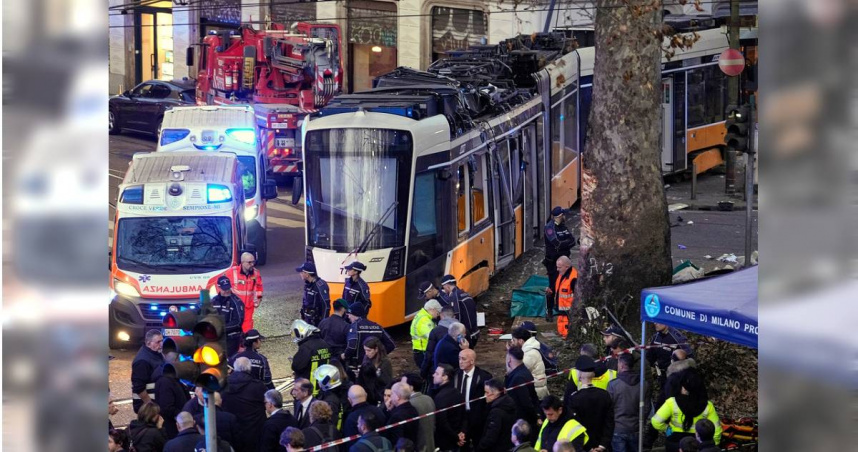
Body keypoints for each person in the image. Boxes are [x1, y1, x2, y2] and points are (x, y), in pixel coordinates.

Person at [651, 371, 721, 452]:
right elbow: (717, 430)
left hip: (674, 443)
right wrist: (711, 445)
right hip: (696, 444)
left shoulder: (672, 403)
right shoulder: (708, 405)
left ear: (683, 388)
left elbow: (655, 421)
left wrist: (667, 429)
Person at [563, 356, 614, 452]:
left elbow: (576, 427)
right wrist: (603, 445)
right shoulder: (605, 395)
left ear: (580, 375)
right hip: (604, 447)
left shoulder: (574, 399)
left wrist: (588, 447)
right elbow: (610, 423)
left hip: (584, 447)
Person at [222, 357, 268, 452]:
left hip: (233, 432)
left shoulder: (223, 386)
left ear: (234, 368)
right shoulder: (258, 386)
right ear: (249, 368)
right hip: (255, 432)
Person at [607, 353, 649, 452]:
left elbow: (609, 408)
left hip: (618, 428)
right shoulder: (644, 384)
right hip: (636, 428)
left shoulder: (613, 385)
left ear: (621, 365)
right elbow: (646, 408)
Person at [543, 206, 576, 321]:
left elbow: (573, 241)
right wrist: (565, 243)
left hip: (566, 261)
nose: (565, 217)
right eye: (563, 215)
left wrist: (564, 244)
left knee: (569, 285)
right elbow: (556, 243)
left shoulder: (563, 226)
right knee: (552, 286)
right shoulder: (549, 227)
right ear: (560, 216)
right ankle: (549, 311)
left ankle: (566, 309)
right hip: (554, 264)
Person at [455, 349, 492, 449]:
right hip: (460, 418)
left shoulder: (484, 377)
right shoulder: (455, 375)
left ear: (472, 361)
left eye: (463, 359)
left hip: (477, 419)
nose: (460, 361)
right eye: (459, 358)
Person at [343, 302, 395, 368]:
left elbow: (351, 346)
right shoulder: (377, 326)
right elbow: (391, 345)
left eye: (350, 314)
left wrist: (345, 356)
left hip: (358, 365)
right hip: (374, 366)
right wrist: (378, 356)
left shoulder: (355, 326)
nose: (348, 317)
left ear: (355, 314)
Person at [153, 351, 191, 439]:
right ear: (175, 361)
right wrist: (184, 415)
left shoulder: (173, 379)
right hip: (172, 428)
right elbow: (167, 407)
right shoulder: (166, 382)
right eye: (180, 361)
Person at [223, 251, 264, 332]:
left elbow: (259, 287)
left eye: (253, 262)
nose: (252, 264)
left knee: (247, 328)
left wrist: (258, 299)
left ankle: (245, 343)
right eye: (249, 262)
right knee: (235, 326)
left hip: (248, 306)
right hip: (235, 306)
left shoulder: (255, 273)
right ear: (242, 262)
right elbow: (221, 284)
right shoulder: (231, 272)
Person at [291, 319, 333, 395]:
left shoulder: (306, 347)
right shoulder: (324, 344)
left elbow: (297, 366)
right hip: (324, 388)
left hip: (309, 390)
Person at [432, 364, 466, 451]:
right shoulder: (458, 393)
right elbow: (464, 416)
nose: (433, 375)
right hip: (456, 438)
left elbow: (442, 422)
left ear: (445, 377)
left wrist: (456, 438)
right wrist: (461, 434)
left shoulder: (440, 397)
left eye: (437, 373)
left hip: (445, 443)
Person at [504, 346, 540, 429]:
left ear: (509, 360)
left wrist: (535, 418)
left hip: (521, 421)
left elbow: (526, 402)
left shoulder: (518, 378)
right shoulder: (524, 371)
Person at [476, 378, 516, 452]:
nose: (485, 395)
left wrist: (480, 448)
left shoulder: (496, 412)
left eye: (487, 392)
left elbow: (491, 436)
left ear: (495, 393)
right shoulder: (509, 404)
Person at [439, 274, 480, 347]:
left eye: (443, 287)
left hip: (466, 334)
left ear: (447, 286)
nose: (444, 290)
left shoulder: (454, 297)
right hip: (475, 331)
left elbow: (457, 317)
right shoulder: (464, 293)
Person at [211, 275, 246, 356]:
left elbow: (238, 322)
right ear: (218, 288)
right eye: (224, 289)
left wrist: (221, 328)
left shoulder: (236, 302)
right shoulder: (213, 301)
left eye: (228, 288)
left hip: (231, 339)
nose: (227, 291)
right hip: (216, 338)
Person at [342, 385, 386, 450]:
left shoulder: (350, 419)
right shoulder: (378, 411)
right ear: (366, 395)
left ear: (349, 400)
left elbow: (350, 444)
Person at [510, 327, 549, 399]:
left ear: (521, 341)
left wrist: (510, 352)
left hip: (536, 392)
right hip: (534, 389)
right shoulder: (528, 350)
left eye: (514, 340)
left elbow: (515, 371)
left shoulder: (529, 353)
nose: (511, 342)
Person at [131, 329, 164, 413]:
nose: (161, 344)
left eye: (162, 341)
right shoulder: (142, 361)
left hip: (156, 401)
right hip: (146, 406)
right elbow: (139, 388)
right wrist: (150, 406)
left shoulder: (155, 353)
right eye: (158, 342)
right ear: (149, 343)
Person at [401, 373, 436, 452]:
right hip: (431, 445)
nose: (401, 387)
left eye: (403, 385)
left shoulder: (410, 404)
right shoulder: (429, 399)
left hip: (418, 447)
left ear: (411, 387)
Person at [315, 364, 353, 431]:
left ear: (325, 382)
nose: (318, 382)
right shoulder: (340, 391)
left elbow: (330, 422)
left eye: (319, 380)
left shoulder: (330, 400)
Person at [421, 306, 455, 380]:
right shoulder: (463, 330)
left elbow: (429, 354)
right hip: (456, 370)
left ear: (441, 315)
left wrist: (423, 372)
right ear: (454, 316)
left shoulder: (436, 331)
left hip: (438, 369)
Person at [297, 262, 331, 326]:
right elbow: (305, 301)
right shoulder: (307, 285)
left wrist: (323, 324)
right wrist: (303, 314)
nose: (300, 274)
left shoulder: (321, 285)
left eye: (302, 272)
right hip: (308, 320)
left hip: (317, 322)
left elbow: (326, 305)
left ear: (307, 274)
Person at [411, 298, 441, 368]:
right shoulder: (425, 320)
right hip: (423, 352)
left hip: (419, 351)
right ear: (432, 309)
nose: (437, 315)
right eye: (437, 312)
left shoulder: (421, 315)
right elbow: (432, 336)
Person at [551, 256, 578, 336]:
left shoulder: (573, 278)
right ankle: (563, 336)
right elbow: (560, 289)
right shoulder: (562, 274)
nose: (557, 269)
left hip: (569, 312)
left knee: (567, 332)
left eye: (559, 267)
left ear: (566, 267)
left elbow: (578, 296)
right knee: (561, 329)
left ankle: (567, 339)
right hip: (562, 309)